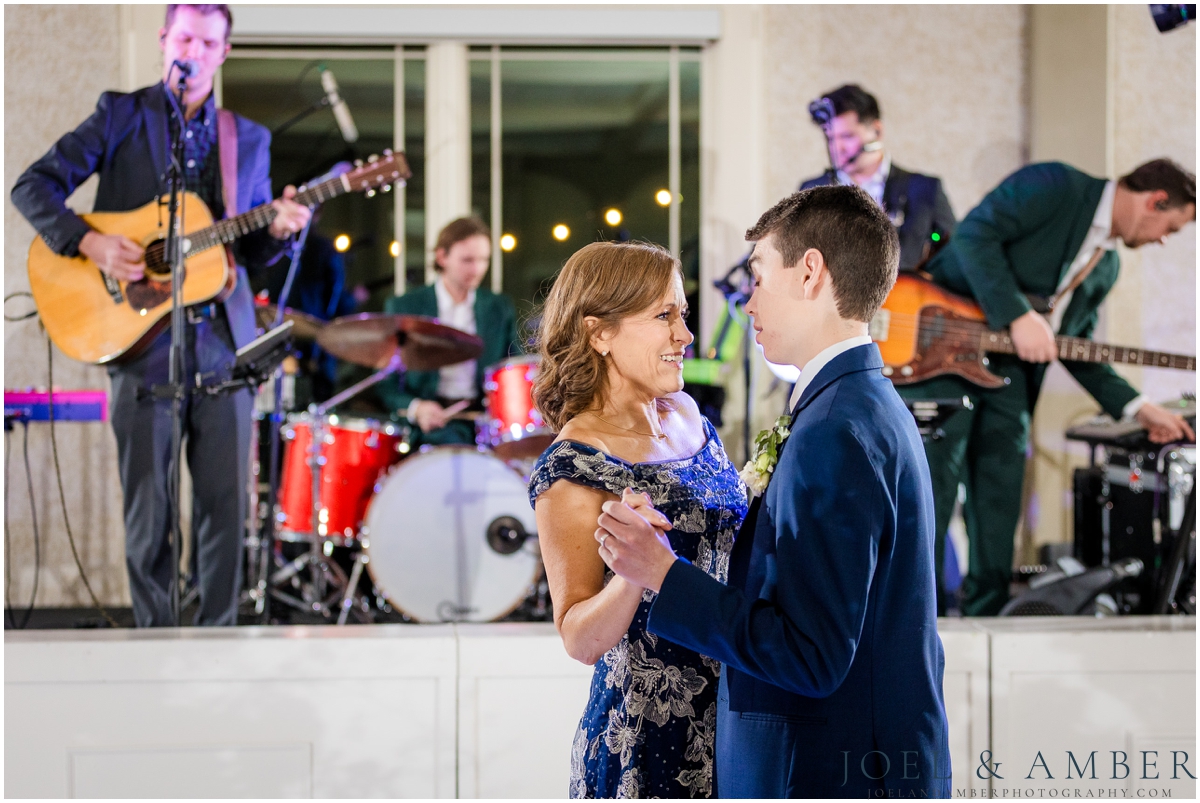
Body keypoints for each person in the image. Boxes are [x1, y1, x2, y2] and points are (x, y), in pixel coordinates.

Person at [597, 187, 951, 798]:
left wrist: (663, 574)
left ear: (810, 272)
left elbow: (810, 654)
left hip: (829, 771)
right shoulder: (862, 402)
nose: (749, 300)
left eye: (758, 276)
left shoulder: (836, 428)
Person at [11, 4, 310, 627]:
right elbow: (32, 186)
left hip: (223, 346)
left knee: (224, 506)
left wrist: (279, 231)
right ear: (163, 42)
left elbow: (246, 252)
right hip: (137, 335)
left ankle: (217, 639)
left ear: (223, 52)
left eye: (207, 41)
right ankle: (155, 640)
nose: (193, 50)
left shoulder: (246, 138)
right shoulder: (120, 114)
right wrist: (89, 241)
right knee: (150, 507)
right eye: (184, 38)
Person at [898, 159, 1196, 616]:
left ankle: (987, 623)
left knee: (1000, 504)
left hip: (1010, 380)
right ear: (1156, 201)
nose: (1161, 239)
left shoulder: (1105, 266)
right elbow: (976, 235)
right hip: (941, 355)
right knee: (930, 494)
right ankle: (917, 621)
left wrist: (1139, 408)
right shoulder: (1055, 184)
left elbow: (1076, 347)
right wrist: (1017, 315)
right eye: (1170, 228)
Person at [527, 241, 746, 798]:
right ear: (599, 333)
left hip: (742, 710)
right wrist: (633, 573)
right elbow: (579, 638)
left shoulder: (689, 415)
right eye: (664, 316)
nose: (685, 336)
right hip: (649, 739)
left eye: (683, 315)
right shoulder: (572, 466)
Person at [377, 217, 520, 447]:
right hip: (428, 425)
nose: (477, 269)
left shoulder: (499, 308)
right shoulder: (406, 307)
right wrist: (417, 407)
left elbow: (513, 369)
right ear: (442, 257)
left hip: (484, 421)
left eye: (484, 260)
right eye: (467, 260)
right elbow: (386, 385)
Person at [800, 84, 957, 271]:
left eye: (847, 136)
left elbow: (954, 256)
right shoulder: (812, 190)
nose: (838, 148)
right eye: (831, 138)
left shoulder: (925, 189)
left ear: (877, 131)